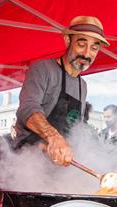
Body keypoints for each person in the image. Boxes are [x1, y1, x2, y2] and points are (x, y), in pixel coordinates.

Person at [15, 16, 109, 167]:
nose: (86, 54)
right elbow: (27, 108)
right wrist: (53, 137)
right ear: (67, 41)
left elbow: (78, 127)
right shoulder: (43, 69)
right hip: (29, 164)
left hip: (60, 169)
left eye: (94, 48)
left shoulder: (82, 85)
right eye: (81, 44)